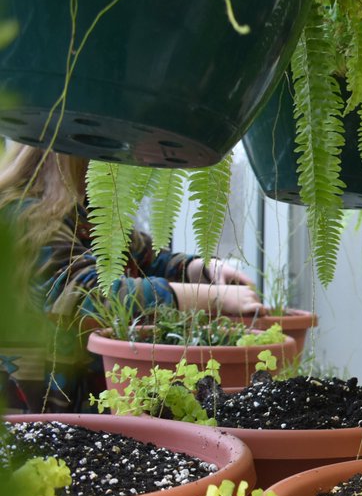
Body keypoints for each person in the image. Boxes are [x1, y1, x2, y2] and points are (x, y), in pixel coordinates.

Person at [0, 142, 264, 412]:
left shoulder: (85, 213)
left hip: (79, 408)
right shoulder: (22, 216)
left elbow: (147, 258)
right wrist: (212, 298)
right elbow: (86, 294)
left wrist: (200, 268)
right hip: (33, 409)